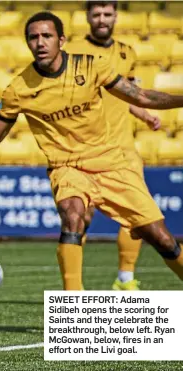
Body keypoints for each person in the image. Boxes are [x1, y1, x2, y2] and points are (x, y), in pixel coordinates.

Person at [0, 11, 183, 291]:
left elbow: (140, 96)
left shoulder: (92, 66)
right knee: (72, 214)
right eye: (33, 37)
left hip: (113, 163)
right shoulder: (19, 89)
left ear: (61, 40)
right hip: (68, 168)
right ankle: (73, 305)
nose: (40, 42)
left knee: (162, 239)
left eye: (47, 36)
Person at [64, 0, 161, 291]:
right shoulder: (73, 51)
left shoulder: (126, 53)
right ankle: (74, 289)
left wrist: (144, 113)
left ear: (115, 16)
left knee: (139, 215)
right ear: (88, 17)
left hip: (123, 148)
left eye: (108, 14)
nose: (102, 19)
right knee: (79, 215)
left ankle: (125, 279)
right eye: (97, 14)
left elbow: (126, 93)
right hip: (86, 148)